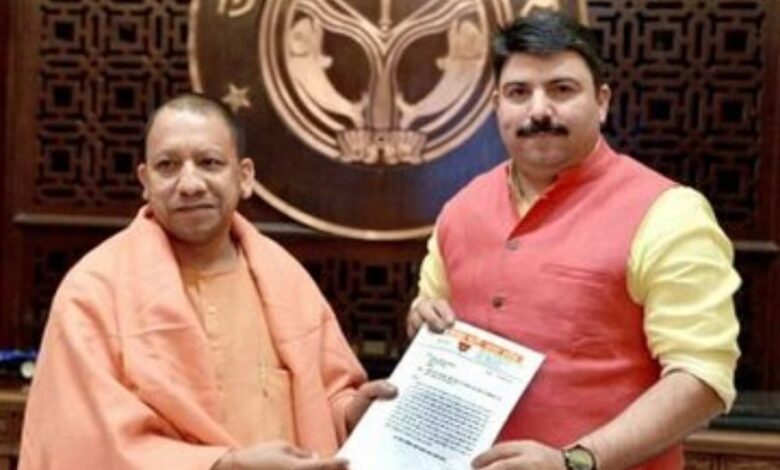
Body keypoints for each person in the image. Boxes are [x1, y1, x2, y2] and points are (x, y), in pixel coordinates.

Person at [406, 11, 740, 470]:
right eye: (519, 93)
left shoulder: (668, 212)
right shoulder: (460, 210)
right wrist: (422, 317)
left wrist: (576, 461)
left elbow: (701, 378)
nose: (539, 110)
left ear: (601, 102)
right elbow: (433, 318)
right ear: (496, 104)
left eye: (561, 90)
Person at [19, 94, 396, 470]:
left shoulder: (285, 279)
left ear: (244, 177)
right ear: (145, 181)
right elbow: (85, 442)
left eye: (209, 163)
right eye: (167, 166)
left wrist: (351, 416)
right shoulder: (93, 292)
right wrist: (226, 465)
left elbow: (322, 403)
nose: (190, 184)